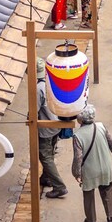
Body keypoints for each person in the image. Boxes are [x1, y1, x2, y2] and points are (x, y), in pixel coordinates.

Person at [71, 104, 112, 222]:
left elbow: (78, 157)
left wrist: (77, 173)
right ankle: (110, 217)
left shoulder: (78, 136)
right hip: (105, 166)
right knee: (107, 191)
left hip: (89, 170)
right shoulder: (101, 127)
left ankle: (91, 220)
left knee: (88, 194)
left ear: (80, 119)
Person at [36, 58, 67, 198]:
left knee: (45, 156)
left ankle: (59, 186)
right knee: (51, 152)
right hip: (56, 123)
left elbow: (34, 109)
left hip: (45, 127)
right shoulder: (51, 81)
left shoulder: (38, 88)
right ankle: (47, 177)